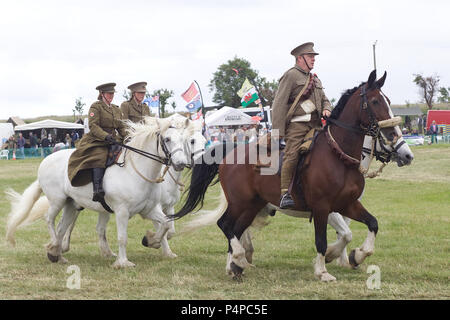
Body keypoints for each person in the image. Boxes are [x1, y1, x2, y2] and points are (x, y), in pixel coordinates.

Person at [272, 42, 332, 209]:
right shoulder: (290, 76)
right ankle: (285, 193)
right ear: (300, 59)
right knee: (291, 155)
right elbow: (279, 104)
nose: (314, 59)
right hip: (297, 126)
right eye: (310, 56)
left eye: (314, 56)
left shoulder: (315, 79)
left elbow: (325, 100)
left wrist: (327, 109)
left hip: (317, 126)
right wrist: (278, 132)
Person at [68, 83, 128, 205]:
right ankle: (97, 189)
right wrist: (105, 136)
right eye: (109, 94)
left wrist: (129, 137)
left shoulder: (116, 109)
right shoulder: (96, 107)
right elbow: (93, 126)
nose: (111, 96)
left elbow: (121, 127)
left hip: (113, 139)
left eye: (112, 94)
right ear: (102, 94)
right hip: (97, 139)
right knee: (99, 156)